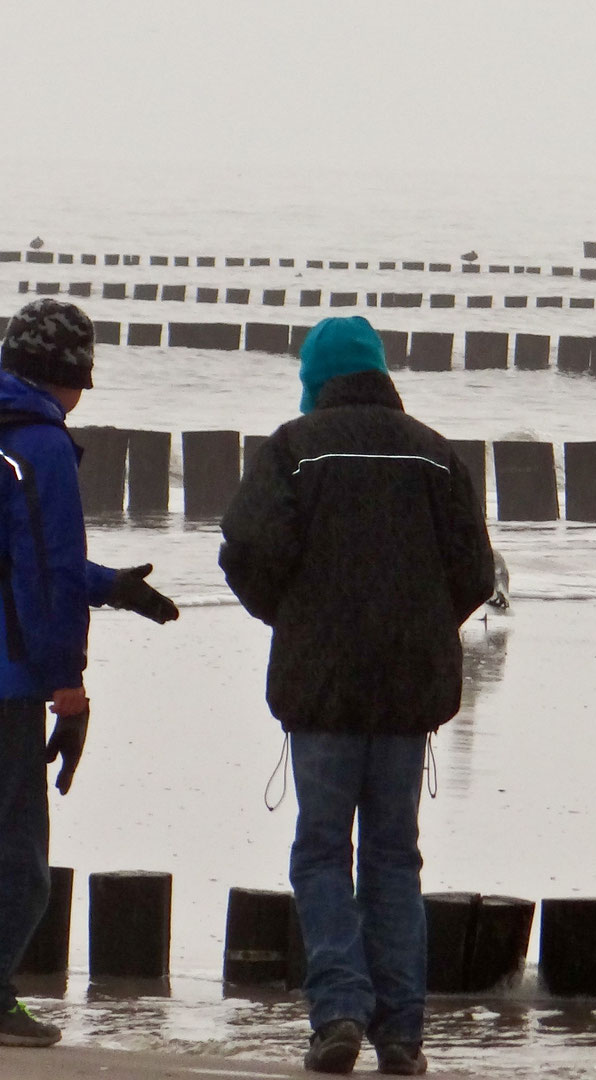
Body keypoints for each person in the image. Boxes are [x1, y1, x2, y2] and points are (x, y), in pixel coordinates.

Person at [0, 298, 180, 1047]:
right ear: (68, 376)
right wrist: (68, 687)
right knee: (16, 854)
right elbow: (42, 572)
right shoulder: (40, 444)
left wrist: (109, 584)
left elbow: (5, 553)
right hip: (0, 675)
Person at [220, 316, 494, 1076]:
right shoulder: (437, 456)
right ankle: (402, 1035)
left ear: (315, 379)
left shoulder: (292, 450)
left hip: (323, 688)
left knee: (320, 851)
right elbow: (475, 571)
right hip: (409, 691)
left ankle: (339, 1011)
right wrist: (420, 625)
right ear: (379, 373)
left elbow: (246, 552)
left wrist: (295, 617)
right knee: (393, 859)